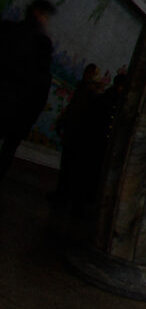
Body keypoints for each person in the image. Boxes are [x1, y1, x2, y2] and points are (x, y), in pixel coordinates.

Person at [0, 0, 55, 184]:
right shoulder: (41, 44)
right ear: (39, 14)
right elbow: (41, 84)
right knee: (7, 152)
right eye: (46, 16)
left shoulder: (7, 30)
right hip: (18, 111)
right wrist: (31, 116)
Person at [54, 63, 108, 214]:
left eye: (90, 72)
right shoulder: (84, 90)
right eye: (87, 72)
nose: (87, 74)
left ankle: (65, 194)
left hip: (79, 134)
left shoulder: (91, 93)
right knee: (67, 164)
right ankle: (62, 193)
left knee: (71, 166)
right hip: (74, 131)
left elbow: (81, 112)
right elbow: (72, 108)